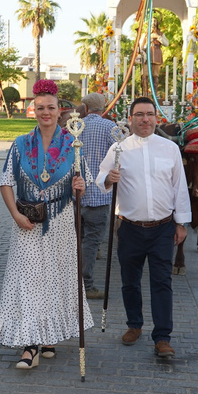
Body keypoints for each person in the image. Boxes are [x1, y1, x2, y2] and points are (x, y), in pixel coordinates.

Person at [0, 79, 93, 368]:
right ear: (33, 110)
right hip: (27, 223)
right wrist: (16, 215)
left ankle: (49, 336)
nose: (46, 112)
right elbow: (6, 182)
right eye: (40, 107)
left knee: (56, 278)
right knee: (29, 280)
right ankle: (30, 345)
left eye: (51, 107)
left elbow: (82, 186)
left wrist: (79, 185)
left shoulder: (74, 144)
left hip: (60, 221)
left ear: (61, 111)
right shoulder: (20, 144)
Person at [96, 96, 190, 358]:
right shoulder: (119, 149)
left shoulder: (169, 148)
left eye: (149, 114)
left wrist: (181, 222)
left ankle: (162, 337)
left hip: (162, 227)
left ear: (156, 118)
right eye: (139, 114)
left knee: (162, 282)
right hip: (130, 227)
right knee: (129, 281)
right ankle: (134, 324)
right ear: (131, 118)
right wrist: (108, 178)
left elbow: (179, 187)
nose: (145, 119)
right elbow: (99, 178)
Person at [78, 92, 116, 299]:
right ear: (103, 108)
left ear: (85, 108)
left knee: (77, 241)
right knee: (91, 243)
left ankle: (71, 283)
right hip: (100, 196)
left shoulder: (73, 127)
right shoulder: (111, 128)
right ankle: (86, 285)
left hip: (76, 195)